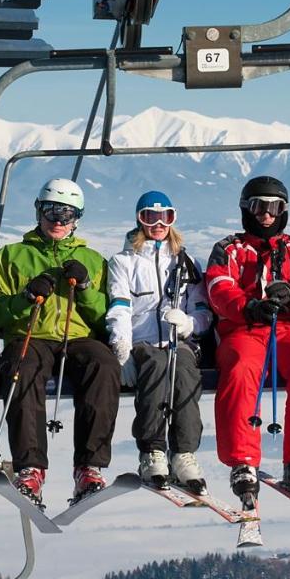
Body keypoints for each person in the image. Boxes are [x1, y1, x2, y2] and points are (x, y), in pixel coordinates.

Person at [0, 178, 120, 507]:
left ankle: (89, 467)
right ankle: (31, 467)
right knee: (21, 366)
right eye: (51, 212)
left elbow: (104, 319)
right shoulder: (13, 256)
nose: (58, 221)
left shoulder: (93, 260)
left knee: (104, 363)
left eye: (67, 214)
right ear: (39, 212)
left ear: (77, 218)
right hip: (33, 334)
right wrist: (25, 298)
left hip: (77, 336)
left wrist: (84, 288)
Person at [205, 175, 290, 505]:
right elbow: (219, 288)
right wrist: (249, 307)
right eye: (258, 206)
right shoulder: (229, 249)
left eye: (274, 207)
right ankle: (243, 460)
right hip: (245, 329)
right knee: (241, 368)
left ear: (284, 211)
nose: (266, 214)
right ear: (245, 209)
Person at [106, 190, 213, 493]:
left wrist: (190, 323)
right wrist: (123, 351)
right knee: (155, 365)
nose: (157, 224)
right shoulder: (124, 262)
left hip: (177, 344)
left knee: (184, 373)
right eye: (149, 217)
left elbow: (202, 312)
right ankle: (152, 450)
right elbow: (120, 308)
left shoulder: (185, 262)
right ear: (139, 220)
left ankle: (183, 453)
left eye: (165, 217)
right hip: (143, 343)